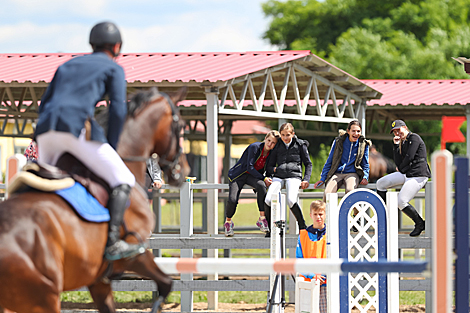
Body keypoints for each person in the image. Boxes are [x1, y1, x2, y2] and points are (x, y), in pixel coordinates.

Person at [35, 22, 143, 261]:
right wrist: (112, 146)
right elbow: (117, 110)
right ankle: (113, 242)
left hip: (45, 132)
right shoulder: (113, 68)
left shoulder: (67, 64)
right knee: (123, 178)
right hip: (73, 129)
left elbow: (43, 105)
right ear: (117, 47)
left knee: (38, 184)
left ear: (91, 44)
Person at [376, 120, 430, 237]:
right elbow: (398, 161)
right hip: (407, 173)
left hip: (418, 175)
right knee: (381, 183)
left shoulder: (414, 138)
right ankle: (384, 213)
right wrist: (395, 146)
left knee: (401, 201)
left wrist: (400, 168)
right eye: (394, 132)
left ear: (405, 127)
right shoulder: (402, 142)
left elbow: (409, 158)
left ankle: (420, 223)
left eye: (398, 130)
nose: (397, 133)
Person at [224, 130, 280, 237]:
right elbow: (249, 167)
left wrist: (269, 178)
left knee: (261, 186)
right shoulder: (255, 147)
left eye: (273, 143)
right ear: (265, 139)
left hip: (252, 176)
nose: (270, 144)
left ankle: (262, 219)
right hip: (239, 175)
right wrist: (263, 178)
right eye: (269, 140)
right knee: (232, 200)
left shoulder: (271, 154)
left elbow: (268, 169)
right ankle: (228, 223)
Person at [265, 123, 312, 232]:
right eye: (283, 135)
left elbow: (308, 164)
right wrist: (274, 170)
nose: (285, 138)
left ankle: (302, 225)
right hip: (279, 177)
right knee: (267, 200)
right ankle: (271, 229)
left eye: (287, 135)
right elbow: (269, 166)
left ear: (293, 134)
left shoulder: (300, 144)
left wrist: (306, 179)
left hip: (294, 176)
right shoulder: (277, 145)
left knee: (291, 200)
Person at [313, 120, 371, 201]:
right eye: (353, 131)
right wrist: (323, 178)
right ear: (348, 131)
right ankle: (326, 213)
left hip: (352, 173)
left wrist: (365, 177)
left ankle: (355, 213)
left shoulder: (363, 145)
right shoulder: (338, 142)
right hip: (338, 173)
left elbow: (365, 164)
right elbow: (329, 161)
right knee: (327, 193)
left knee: (350, 191)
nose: (356, 133)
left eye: (358, 131)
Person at [296, 200, 327, 313]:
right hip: (307, 281)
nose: (318, 217)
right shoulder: (303, 235)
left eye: (321, 214)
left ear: (325, 214)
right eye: (315, 214)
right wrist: (313, 275)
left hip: (325, 281)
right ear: (311, 215)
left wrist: (322, 275)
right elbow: (299, 260)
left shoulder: (331, 234)